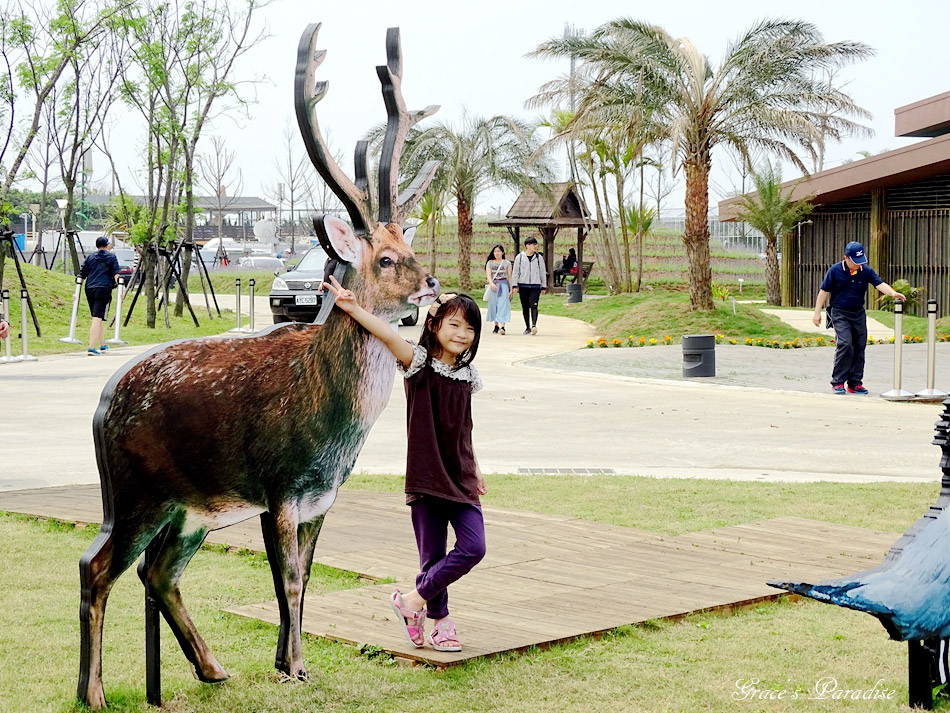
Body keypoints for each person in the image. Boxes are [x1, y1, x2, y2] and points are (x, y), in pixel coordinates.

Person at [320, 277, 487, 652]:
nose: (462, 334)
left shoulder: (467, 376)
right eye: (454, 325)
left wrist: (475, 467)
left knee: (474, 547)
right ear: (434, 325)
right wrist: (352, 307)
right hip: (427, 477)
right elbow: (387, 334)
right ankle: (441, 623)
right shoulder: (419, 364)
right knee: (433, 557)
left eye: (470, 328)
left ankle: (411, 602)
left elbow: (465, 428)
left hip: (460, 477)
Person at [811, 241, 906, 394]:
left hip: (858, 314)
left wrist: (893, 293)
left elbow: (879, 283)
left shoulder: (865, 271)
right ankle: (838, 382)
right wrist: (817, 313)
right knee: (845, 344)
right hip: (840, 313)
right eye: (855, 262)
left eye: (861, 262)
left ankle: (855, 383)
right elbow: (824, 291)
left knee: (859, 346)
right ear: (846, 258)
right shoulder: (835, 271)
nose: (858, 265)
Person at [79, 237, 120, 356]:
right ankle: (91, 347)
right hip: (103, 289)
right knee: (97, 318)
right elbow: (116, 274)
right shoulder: (111, 257)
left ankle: (102, 344)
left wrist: (76, 292)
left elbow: (82, 275)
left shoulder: (90, 257)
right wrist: (121, 289)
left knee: (98, 317)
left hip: (89, 289)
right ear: (107, 245)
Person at [511, 236, 547, 335]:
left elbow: (542, 272)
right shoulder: (520, 257)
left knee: (534, 305)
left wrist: (543, 286)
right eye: (533, 244)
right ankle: (527, 327)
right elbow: (516, 272)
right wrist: (514, 285)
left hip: (535, 286)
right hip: (523, 286)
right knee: (525, 307)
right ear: (527, 245)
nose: (535, 246)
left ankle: (534, 325)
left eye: (536, 244)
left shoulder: (539, 258)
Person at [485, 244, 512, 335]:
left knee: (503, 305)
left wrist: (511, 289)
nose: (497, 253)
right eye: (495, 251)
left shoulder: (507, 263)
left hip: (504, 285)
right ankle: (496, 324)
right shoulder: (490, 263)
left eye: (498, 251)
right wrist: (492, 284)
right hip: (494, 286)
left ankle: (503, 326)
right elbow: (489, 275)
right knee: (494, 305)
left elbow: (510, 277)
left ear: (503, 253)